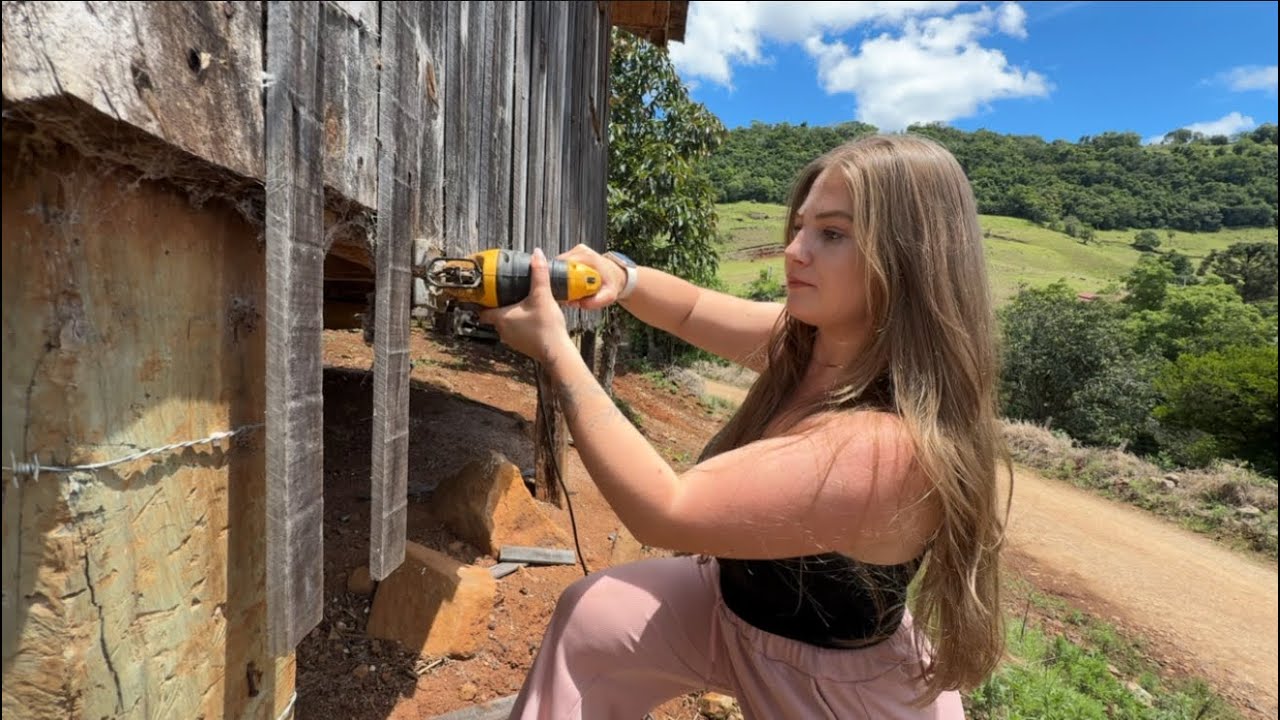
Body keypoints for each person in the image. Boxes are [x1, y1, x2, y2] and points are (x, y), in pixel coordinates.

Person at [479, 133, 1012, 719]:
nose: (794, 250)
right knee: (592, 618)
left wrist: (557, 353)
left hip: (828, 683)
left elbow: (667, 509)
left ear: (911, 260)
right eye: (801, 227)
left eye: (831, 234)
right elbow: (692, 309)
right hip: (733, 608)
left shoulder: (891, 447)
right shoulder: (811, 343)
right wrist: (620, 278)